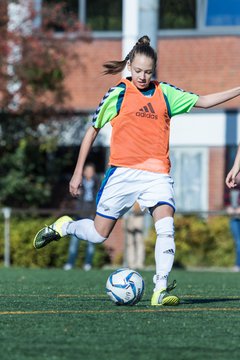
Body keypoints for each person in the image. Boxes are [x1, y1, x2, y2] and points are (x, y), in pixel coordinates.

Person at [33, 35, 240, 306]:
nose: (143, 76)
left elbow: (204, 101)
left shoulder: (165, 93)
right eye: (138, 70)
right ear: (129, 65)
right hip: (122, 173)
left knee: (166, 226)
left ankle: (160, 290)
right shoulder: (117, 93)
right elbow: (91, 132)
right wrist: (76, 171)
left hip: (157, 174)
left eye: (148, 72)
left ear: (154, 71)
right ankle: (66, 226)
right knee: (98, 234)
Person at [63, 163, 99, 271]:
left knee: (91, 241)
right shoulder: (78, 182)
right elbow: (71, 198)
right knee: (74, 241)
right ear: (84, 172)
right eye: (87, 170)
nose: (89, 173)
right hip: (79, 214)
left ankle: (88, 263)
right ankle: (70, 263)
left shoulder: (97, 183)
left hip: (92, 215)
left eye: (91, 171)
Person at [124, 202, 145, 270]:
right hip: (128, 216)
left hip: (138, 215)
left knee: (139, 241)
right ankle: (131, 263)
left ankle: (139, 263)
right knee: (129, 242)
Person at [226, 189, 240, 272]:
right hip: (234, 219)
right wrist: (228, 207)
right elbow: (226, 202)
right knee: (238, 242)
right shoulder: (229, 190)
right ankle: (238, 265)